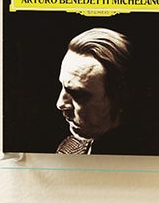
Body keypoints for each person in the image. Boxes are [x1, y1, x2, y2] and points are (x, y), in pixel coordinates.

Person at [54, 27, 134, 155]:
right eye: (63, 86)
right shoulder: (68, 149)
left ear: (119, 99)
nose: (60, 104)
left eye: (78, 95)